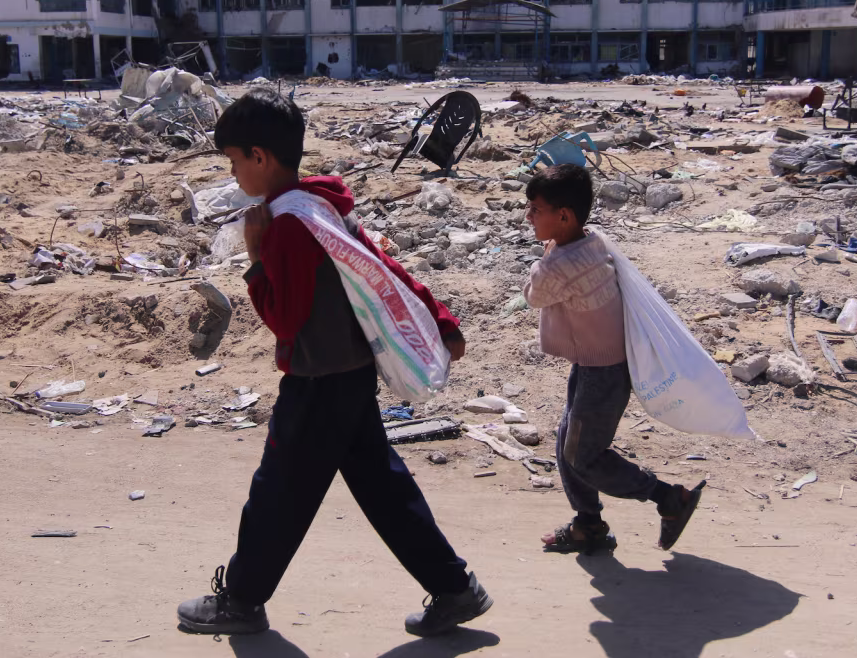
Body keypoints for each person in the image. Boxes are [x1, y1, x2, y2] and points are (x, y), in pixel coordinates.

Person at [177, 88, 492, 637]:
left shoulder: (288, 225)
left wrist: (254, 262)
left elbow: (285, 319)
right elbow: (381, 264)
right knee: (383, 489)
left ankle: (243, 600)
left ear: (259, 157)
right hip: (349, 377)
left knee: (278, 492)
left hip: (317, 382)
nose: (233, 174)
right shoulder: (319, 203)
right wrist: (439, 318)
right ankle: (455, 588)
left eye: (233, 161)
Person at [523, 163, 704, 555]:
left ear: (564, 216)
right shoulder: (589, 240)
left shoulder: (561, 264)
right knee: (567, 445)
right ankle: (588, 524)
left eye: (536, 209)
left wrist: (543, 259)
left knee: (582, 456)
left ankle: (669, 498)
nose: (528, 216)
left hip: (602, 372)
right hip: (594, 364)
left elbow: (534, 293)